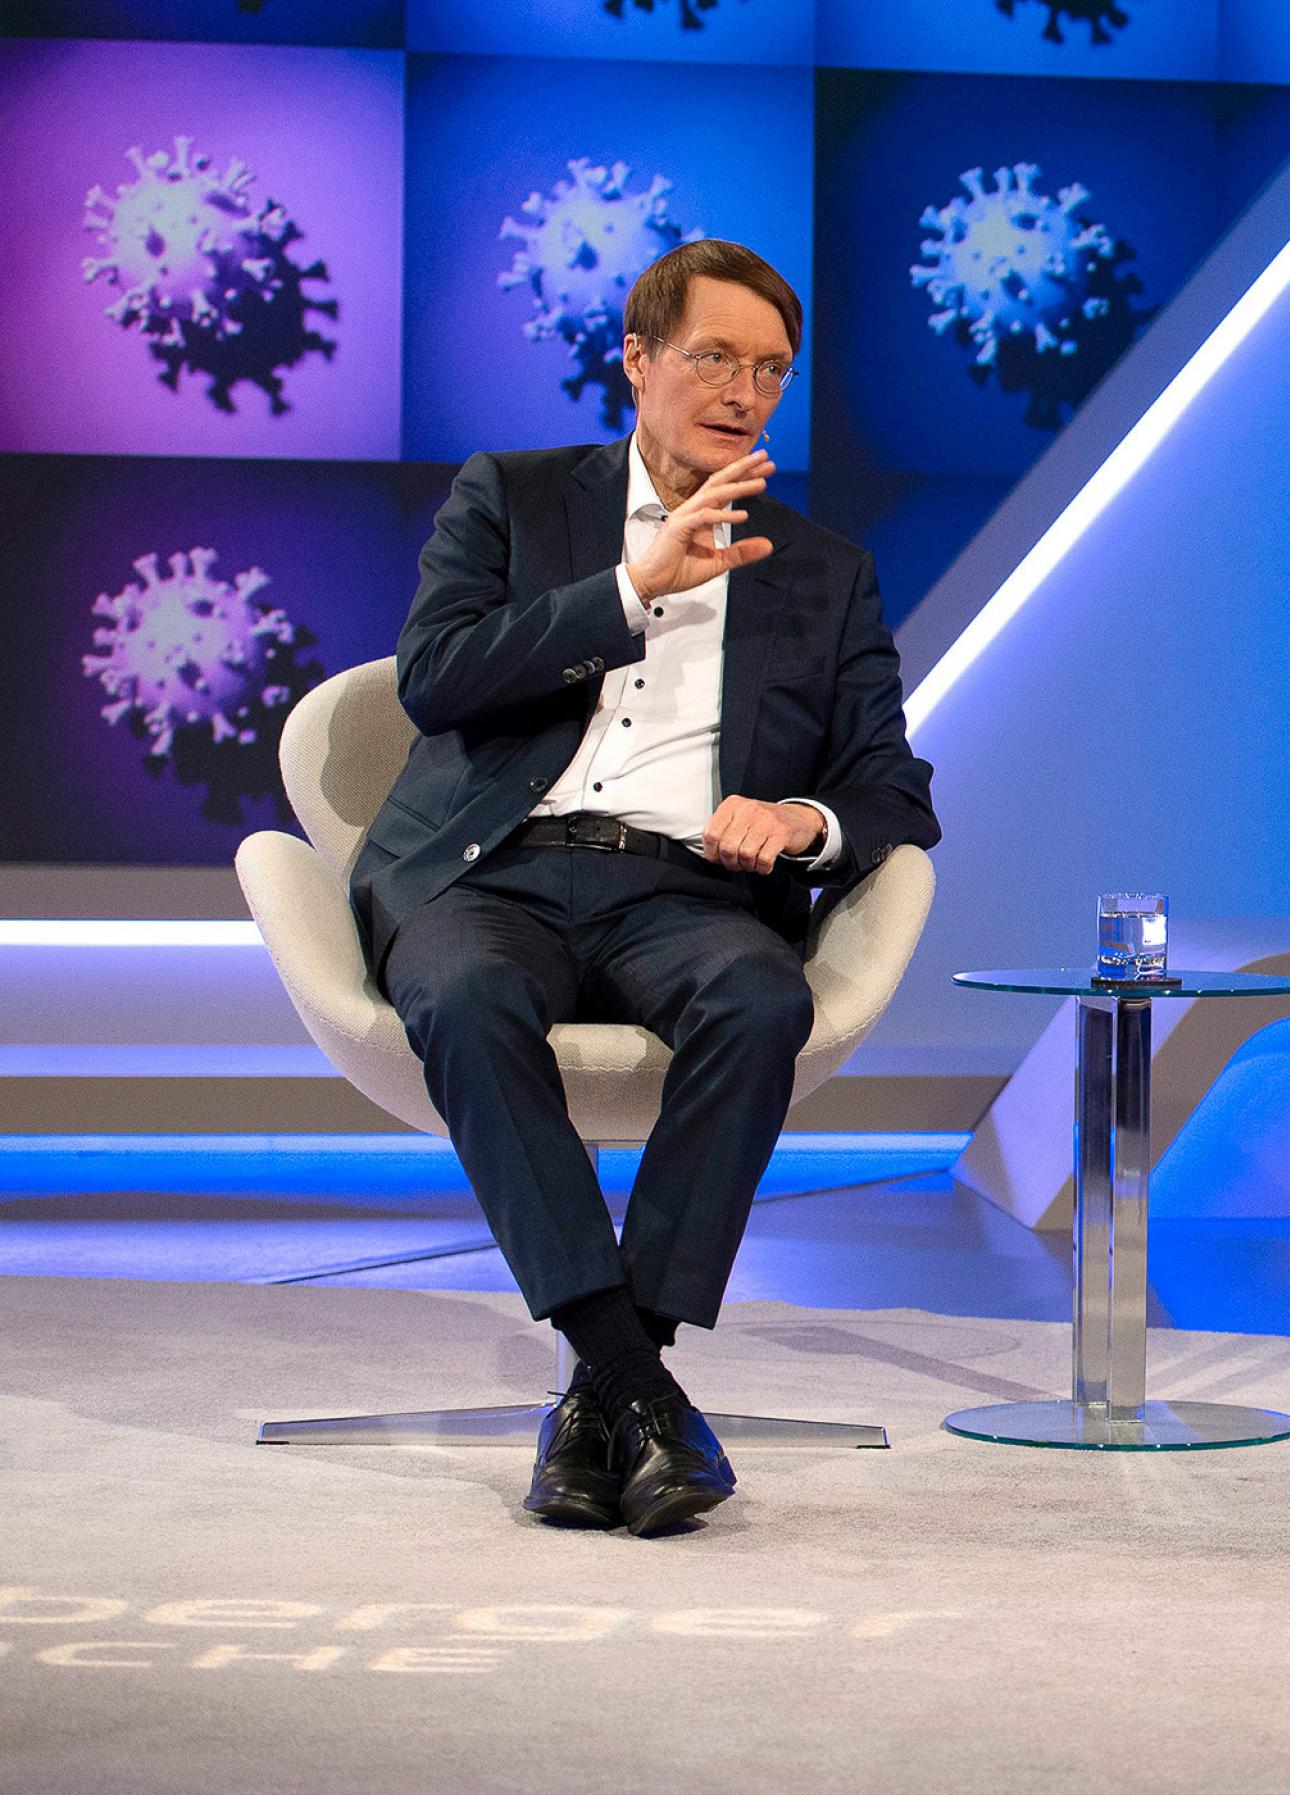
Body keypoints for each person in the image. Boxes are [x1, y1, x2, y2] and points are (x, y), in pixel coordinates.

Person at [357, 240, 939, 1537]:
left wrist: (796, 819)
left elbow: (894, 784)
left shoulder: (821, 567)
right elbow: (434, 680)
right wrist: (633, 588)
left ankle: (609, 1387)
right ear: (636, 359)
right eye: (713, 357)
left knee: (757, 1001)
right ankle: (633, 1386)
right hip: (493, 871)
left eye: (769, 370)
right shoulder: (511, 498)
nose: (742, 389)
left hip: (679, 891)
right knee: (459, 995)